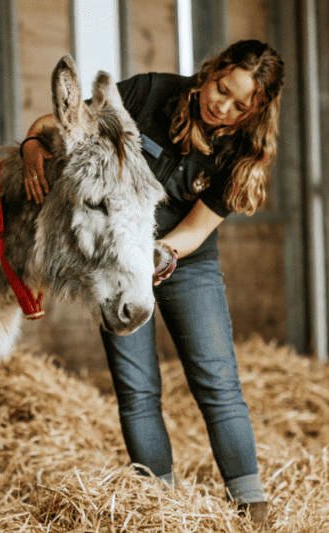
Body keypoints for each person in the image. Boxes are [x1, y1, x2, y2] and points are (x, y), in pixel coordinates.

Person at [20, 40, 285, 527]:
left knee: (218, 382)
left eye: (239, 105)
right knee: (137, 390)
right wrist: (32, 146)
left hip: (184, 259)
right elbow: (64, 123)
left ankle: (254, 512)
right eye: (221, 88)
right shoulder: (149, 93)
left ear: (254, 112)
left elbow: (196, 230)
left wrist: (153, 254)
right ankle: (159, 507)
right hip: (120, 262)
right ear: (212, 72)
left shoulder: (243, 149)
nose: (221, 106)